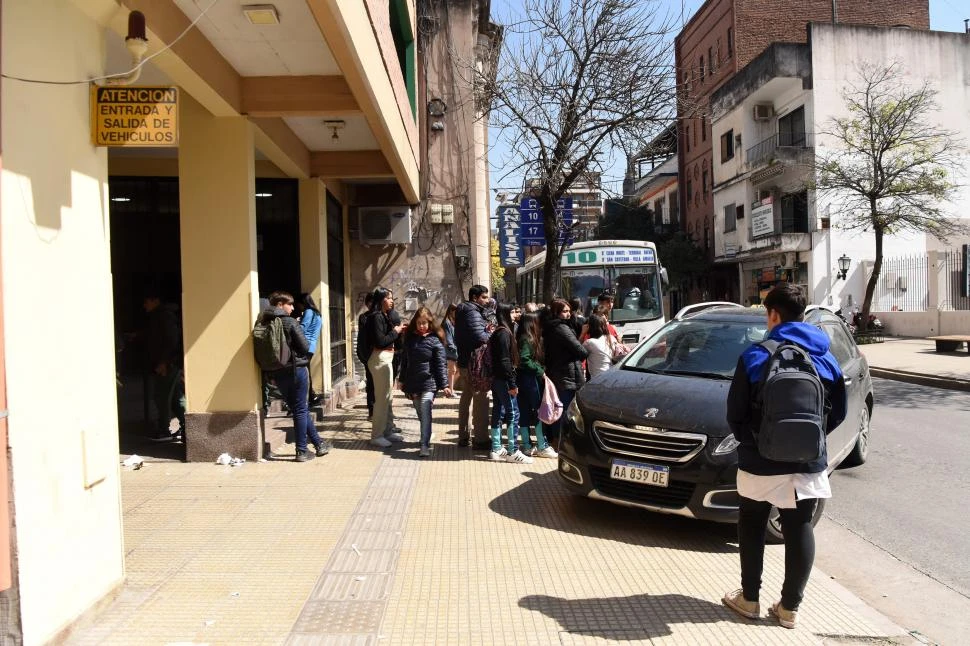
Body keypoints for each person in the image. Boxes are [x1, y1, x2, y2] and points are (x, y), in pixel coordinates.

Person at [722, 283, 847, 629]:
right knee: (799, 526)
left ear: (773, 314)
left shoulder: (755, 355)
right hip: (807, 461)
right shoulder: (825, 357)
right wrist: (809, 442)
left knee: (751, 524)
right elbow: (838, 412)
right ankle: (789, 608)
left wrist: (755, 443)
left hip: (759, 460)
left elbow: (735, 413)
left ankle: (748, 599)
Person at [258, 292, 331, 461]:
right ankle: (302, 451)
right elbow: (305, 346)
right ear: (280, 304)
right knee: (300, 409)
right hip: (296, 369)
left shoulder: (262, 322)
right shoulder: (289, 321)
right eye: (290, 305)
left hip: (277, 372)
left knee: (299, 409)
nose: (292, 308)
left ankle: (319, 444)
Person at [399, 307, 452, 457]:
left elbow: (441, 365)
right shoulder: (410, 340)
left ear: (430, 323)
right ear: (415, 324)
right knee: (421, 412)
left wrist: (445, 385)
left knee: (425, 407)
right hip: (413, 382)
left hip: (430, 382)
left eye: (424, 323)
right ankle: (426, 433)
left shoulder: (435, 340)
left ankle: (424, 444)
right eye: (419, 323)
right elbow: (404, 362)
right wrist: (401, 380)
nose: (422, 326)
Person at [488, 304, 533, 463]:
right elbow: (505, 361)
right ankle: (513, 451)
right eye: (513, 311)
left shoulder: (499, 332)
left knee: (499, 412)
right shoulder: (504, 334)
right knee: (513, 413)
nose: (517, 314)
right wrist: (512, 384)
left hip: (498, 379)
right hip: (504, 380)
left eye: (517, 311)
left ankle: (496, 447)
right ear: (505, 314)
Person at [364, 288, 407, 448]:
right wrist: (395, 332)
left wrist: (398, 331)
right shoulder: (376, 317)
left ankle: (388, 430)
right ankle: (377, 435)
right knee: (382, 399)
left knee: (388, 398)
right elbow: (380, 341)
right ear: (382, 299)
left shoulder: (384, 315)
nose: (392, 301)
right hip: (380, 358)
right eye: (389, 298)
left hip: (386, 357)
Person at [142, 290, 186, 443]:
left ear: (155, 300)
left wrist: (164, 362)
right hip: (170, 362)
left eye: (146, 301)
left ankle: (164, 429)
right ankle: (186, 427)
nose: (144, 305)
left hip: (168, 364)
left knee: (162, 396)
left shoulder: (163, 316)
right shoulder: (162, 316)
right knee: (175, 397)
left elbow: (171, 340)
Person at [543, 298, 589, 442]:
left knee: (558, 407)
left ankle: (555, 438)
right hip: (566, 375)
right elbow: (582, 352)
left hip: (558, 372)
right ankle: (560, 440)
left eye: (569, 311)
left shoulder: (551, 327)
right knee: (563, 409)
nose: (568, 314)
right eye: (564, 311)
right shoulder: (561, 328)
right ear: (556, 312)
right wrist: (582, 335)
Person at [516, 312, 557, 458]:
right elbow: (525, 359)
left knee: (525, 412)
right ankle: (542, 445)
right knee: (539, 410)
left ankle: (527, 445)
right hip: (530, 380)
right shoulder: (528, 339)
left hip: (522, 379)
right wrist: (540, 370)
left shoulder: (521, 337)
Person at [455, 285, 491, 448]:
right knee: (481, 399)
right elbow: (480, 336)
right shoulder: (472, 312)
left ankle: (464, 436)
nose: (487, 300)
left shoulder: (464, 311)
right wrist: (492, 333)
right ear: (475, 298)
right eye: (484, 297)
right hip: (474, 363)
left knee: (466, 398)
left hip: (465, 361)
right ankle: (481, 439)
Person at [298, 293, 323, 406]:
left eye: (299, 305)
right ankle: (311, 396)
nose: (299, 308)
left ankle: (308, 398)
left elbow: (303, 328)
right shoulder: (317, 314)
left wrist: (296, 323)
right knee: (306, 371)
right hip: (311, 346)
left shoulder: (308, 312)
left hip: (305, 345)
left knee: (303, 372)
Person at [356, 293, 375, 418]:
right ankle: (371, 410)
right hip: (369, 355)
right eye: (371, 302)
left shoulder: (383, 316)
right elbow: (363, 338)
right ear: (367, 304)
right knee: (371, 383)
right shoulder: (364, 317)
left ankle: (381, 410)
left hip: (380, 355)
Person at [582, 312, 614, 378]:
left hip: (598, 378)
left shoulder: (590, 343)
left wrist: (582, 333)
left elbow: (577, 351)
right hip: (611, 374)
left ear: (590, 327)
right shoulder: (610, 338)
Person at [441, 304, 459, 397]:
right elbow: (448, 338)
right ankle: (450, 390)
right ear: (451, 311)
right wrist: (453, 348)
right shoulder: (447, 322)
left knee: (456, 371)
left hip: (453, 349)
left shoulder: (452, 322)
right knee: (453, 370)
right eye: (456, 311)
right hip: (450, 350)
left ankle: (450, 388)